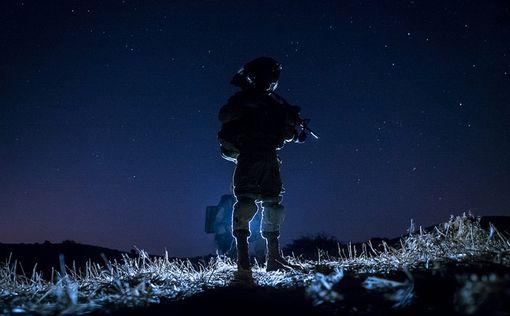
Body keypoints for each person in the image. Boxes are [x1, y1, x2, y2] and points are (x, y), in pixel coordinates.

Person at [217, 56, 308, 273]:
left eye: (272, 75)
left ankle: (273, 258)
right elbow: (224, 115)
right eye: (267, 74)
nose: (271, 79)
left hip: (270, 156)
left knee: (274, 205)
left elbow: (283, 133)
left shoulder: (275, 104)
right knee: (246, 203)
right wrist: (251, 104)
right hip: (249, 154)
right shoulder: (243, 99)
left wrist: (293, 131)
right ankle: (243, 262)